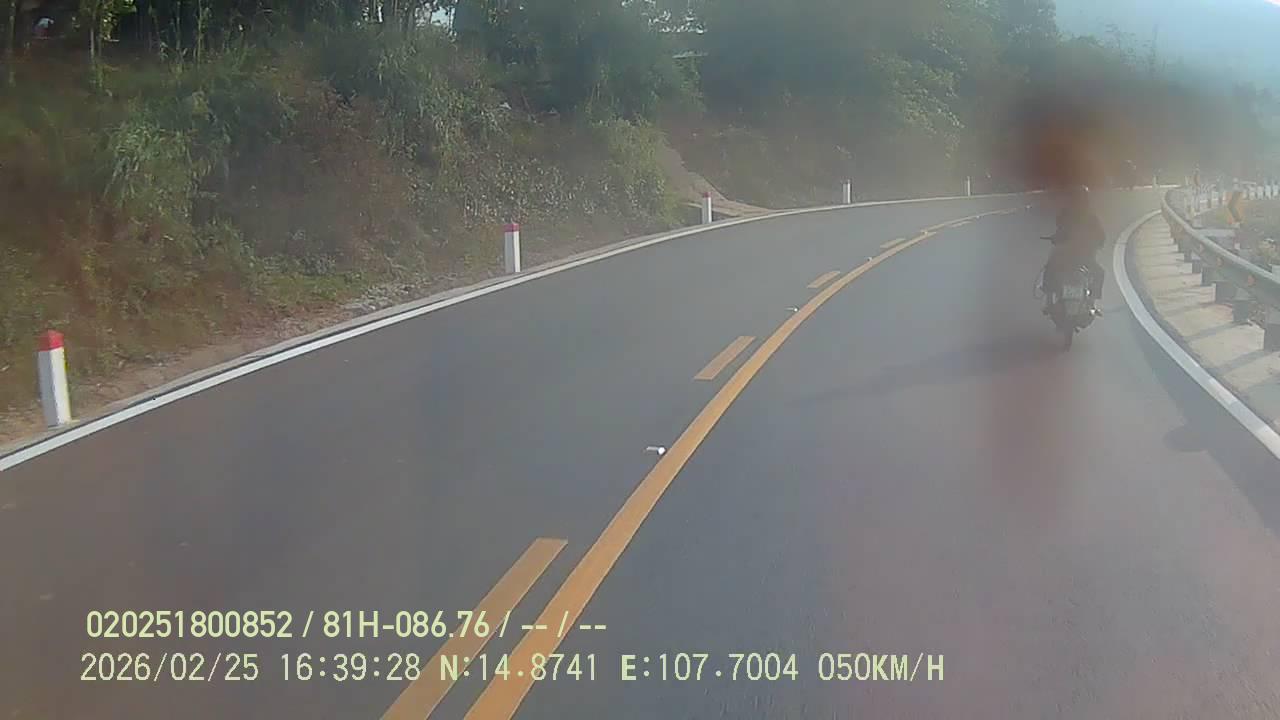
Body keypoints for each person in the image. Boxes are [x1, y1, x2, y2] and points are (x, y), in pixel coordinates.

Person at [1042, 184, 1106, 313]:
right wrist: (1098, 243)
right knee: (1099, 273)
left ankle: (1048, 301)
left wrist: (1056, 238)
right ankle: (1092, 303)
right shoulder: (1091, 217)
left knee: (1049, 267)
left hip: (1066, 254)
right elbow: (1101, 236)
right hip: (1083, 256)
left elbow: (1060, 229)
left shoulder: (1066, 214)